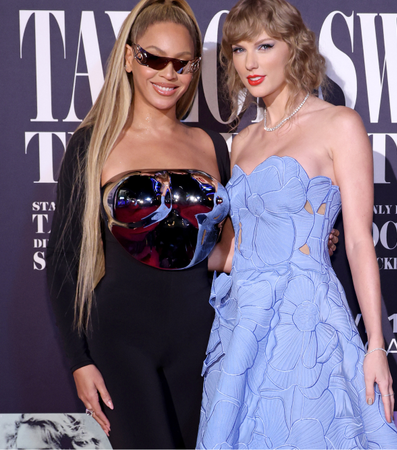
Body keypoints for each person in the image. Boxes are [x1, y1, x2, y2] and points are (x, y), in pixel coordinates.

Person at [196, 0, 397, 448]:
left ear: (294, 47)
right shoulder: (241, 141)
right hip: (242, 323)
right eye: (238, 49)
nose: (250, 62)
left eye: (264, 46)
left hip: (305, 319)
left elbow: (356, 241)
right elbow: (231, 250)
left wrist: (375, 346)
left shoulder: (339, 124)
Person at [46, 0, 231, 448]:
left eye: (182, 64)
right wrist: (78, 359)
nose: (168, 74)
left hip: (201, 341)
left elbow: (231, 247)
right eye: (154, 58)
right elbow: (64, 258)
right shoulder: (95, 142)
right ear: (129, 57)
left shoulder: (210, 145)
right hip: (120, 343)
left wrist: (308, 237)